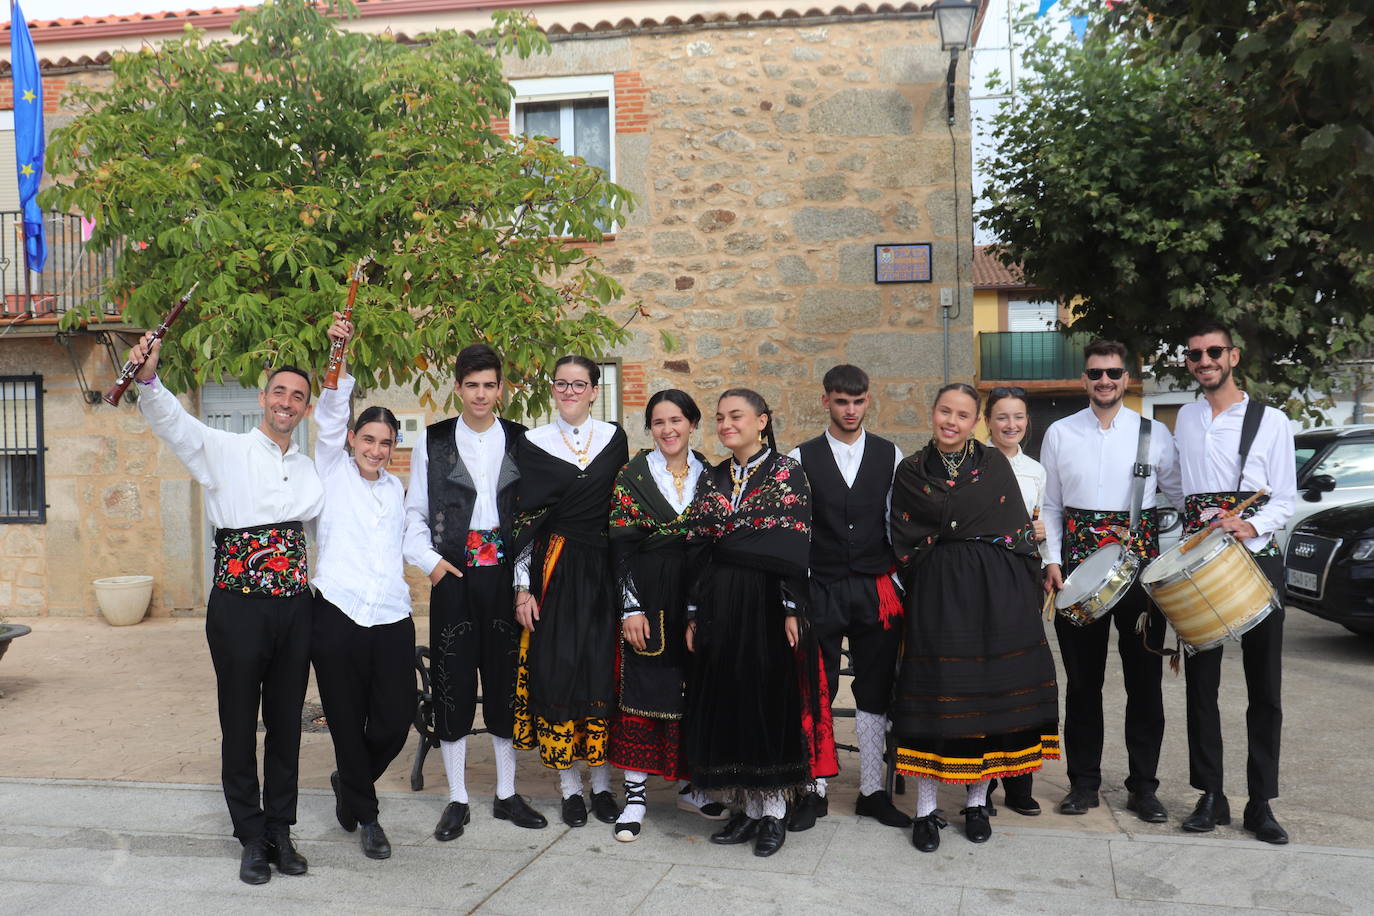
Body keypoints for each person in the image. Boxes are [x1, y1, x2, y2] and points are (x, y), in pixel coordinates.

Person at [130, 331, 324, 885]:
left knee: (285, 724)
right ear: (263, 398)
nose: (287, 403)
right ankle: (250, 836)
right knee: (239, 723)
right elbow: (174, 423)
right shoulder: (225, 449)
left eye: (298, 397)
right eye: (279, 392)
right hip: (238, 607)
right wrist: (149, 378)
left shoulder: (309, 468)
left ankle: (280, 830)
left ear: (305, 409)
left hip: (295, 608)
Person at [889, 383, 1060, 853]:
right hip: (936, 595)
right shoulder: (911, 470)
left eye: (962, 415)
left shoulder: (994, 465)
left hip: (994, 595)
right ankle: (925, 809)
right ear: (933, 412)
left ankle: (976, 803)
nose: (952, 421)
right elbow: (904, 534)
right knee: (936, 697)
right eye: (945, 411)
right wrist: (956, 536)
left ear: (975, 422)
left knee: (985, 699)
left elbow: (1018, 533)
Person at [683, 388, 838, 858]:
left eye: (736, 416)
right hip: (720, 601)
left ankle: (773, 810)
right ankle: (747, 808)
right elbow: (699, 545)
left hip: (768, 601)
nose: (726, 424)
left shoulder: (787, 473)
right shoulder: (712, 477)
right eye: (720, 418)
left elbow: (794, 542)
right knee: (732, 698)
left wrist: (792, 607)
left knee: (768, 700)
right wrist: (694, 612)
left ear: (762, 421)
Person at [403, 343, 547, 842]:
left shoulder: (522, 441)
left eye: (489, 385)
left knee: (505, 683)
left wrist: (524, 580)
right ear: (458, 388)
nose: (481, 394)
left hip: (507, 577)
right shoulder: (433, 440)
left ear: (501, 388)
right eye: (472, 386)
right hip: (454, 575)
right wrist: (431, 564)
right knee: (452, 682)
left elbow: (530, 520)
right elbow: (415, 513)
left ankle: (506, 794)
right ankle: (458, 798)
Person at [1040, 341, 1184, 823]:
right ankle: (1083, 783)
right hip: (1077, 572)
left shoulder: (1154, 434)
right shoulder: (1060, 432)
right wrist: (1052, 560)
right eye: (1096, 373)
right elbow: (1052, 506)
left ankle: (1144, 788)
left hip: (1140, 573)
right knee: (1083, 683)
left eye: (1114, 373)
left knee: (1145, 684)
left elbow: (1178, 498)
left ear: (1127, 379)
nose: (1105, 381)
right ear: (1084, 379)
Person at [1173, 321, 1296, 844]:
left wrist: (1252, 524)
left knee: (1264, 687)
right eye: (1195, 354)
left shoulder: (1271, 421)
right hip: (1201, 564)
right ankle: (1211, 795)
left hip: (1255, 560)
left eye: (1213, 351)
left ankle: (1260, 803)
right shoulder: (1185, 417)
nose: (1204, 361)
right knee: (1201, 687)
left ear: (1233, 356)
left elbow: (1285, 497)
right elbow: (1179, 490)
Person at [785, 364, 909, 831]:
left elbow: (897, 522)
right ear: (826, 402)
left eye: (858, 401)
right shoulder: (800, 457)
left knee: (875, 687)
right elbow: (796, 532)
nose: (850, 410)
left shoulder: (890, 454)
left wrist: (899, 581)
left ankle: (872, 791)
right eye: (841, 401)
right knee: (817, 685)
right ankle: (814, 789)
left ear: (867, 400)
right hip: (821, 585)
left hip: (876, 587)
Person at [310, 316, 415, 860]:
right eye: (367, 439)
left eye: (385, 443)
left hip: (392, 615)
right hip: (337, 612)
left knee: (395, 722)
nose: (375, 449)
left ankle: (348, 782)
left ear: (394, 448)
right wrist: (340, 353)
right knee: (347, 723)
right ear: (352, 440)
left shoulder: (396, 488)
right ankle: (368, 817)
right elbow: (330, 412)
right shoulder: (330, 469)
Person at [510, 355, 629, 828]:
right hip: (554, 569)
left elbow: (624, 508)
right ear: (553, 389)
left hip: (602, 568)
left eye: (580, 384)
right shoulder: (531, 443)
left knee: (600, 671)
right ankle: (569, 788)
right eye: (562, 384)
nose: (570, 392)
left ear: (595, 391)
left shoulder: (615, 439)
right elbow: (524, 520)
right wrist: (523, 588)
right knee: (559, 671)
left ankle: (602, 785)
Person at [606, 389, 726, 842]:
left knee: (693, 691)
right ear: (650, 429)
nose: (668, 429)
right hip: (648, 596)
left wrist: (703, 608)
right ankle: (635, 796)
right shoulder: (632, 476)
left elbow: (714, 542)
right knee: (643, 689)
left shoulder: (711, 476)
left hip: (698, 597)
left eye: (676, 420)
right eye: (658, 422)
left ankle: (689, 788)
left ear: (692, 423)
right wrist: (630, 607)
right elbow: (620, 546)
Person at [981, 386, 1049, 816]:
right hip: (981, 582)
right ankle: (982, 785)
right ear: (988, 421)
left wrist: (1045, 547)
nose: (1011, 425)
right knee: (985, 679)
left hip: (1023, 581)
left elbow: (1044, 519)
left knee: (1021, 679)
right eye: (1002, 416)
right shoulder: (974, 464)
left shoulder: (1035, 471)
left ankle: (1019, 782)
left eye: (1018, 416)